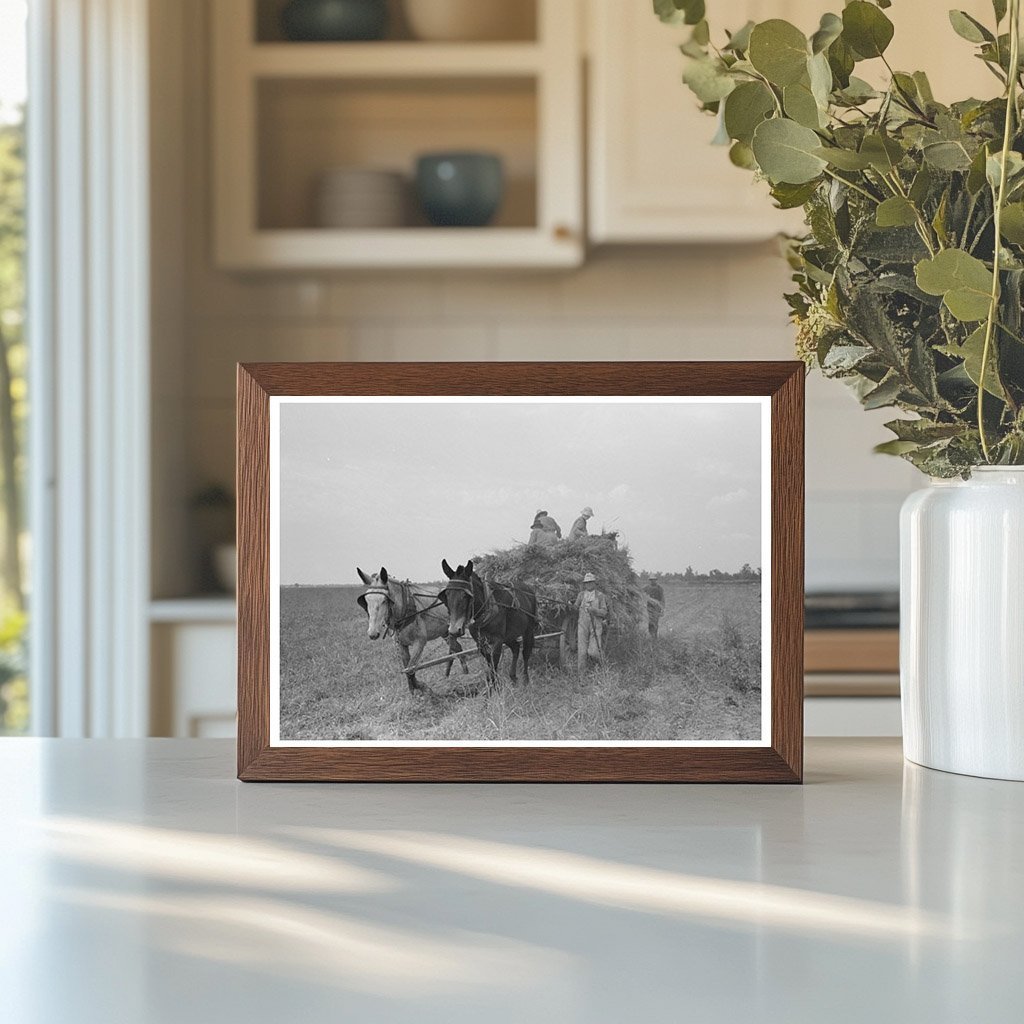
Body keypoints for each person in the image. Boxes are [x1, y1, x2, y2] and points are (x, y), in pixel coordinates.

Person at [575, 572, 608, 673]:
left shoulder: (600, 596)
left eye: (590, 582)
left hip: (596, 625)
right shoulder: (581, 595)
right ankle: (581, 676)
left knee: (593, 652)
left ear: (594, 583)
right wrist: (572, 606)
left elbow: (604, 612)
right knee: (582, 652)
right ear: (584, 584)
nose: (588, 584)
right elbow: (576, 607)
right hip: (582, 624)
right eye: (586, 583)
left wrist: (594, 610)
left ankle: (602, 665)